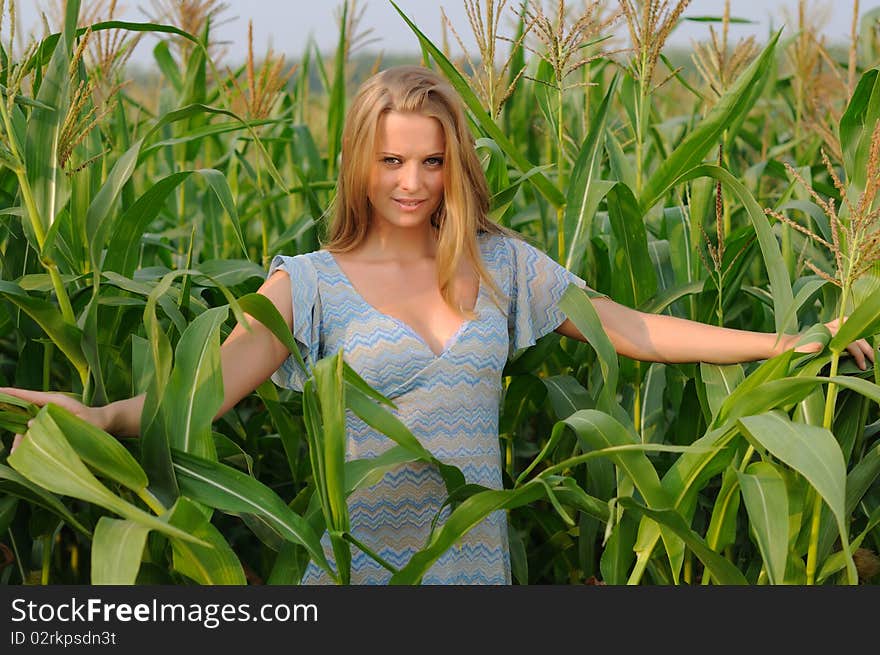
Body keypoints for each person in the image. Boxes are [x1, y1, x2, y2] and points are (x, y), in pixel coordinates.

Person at [2, 65, 875, 585]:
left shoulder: (505, 267)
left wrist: (794, 340)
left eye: (429, 160)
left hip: (474, 568)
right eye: (390, 160)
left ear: (453, 161)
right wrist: (91, 419)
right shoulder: (306, 285)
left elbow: (633, 329)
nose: (412, 181)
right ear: (359, 163)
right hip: (356, 575)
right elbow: (198, 399)